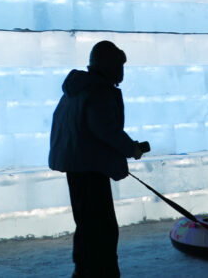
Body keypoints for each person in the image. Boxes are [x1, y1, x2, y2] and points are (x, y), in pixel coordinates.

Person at [49, 41, 146, 278]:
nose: (122, 72)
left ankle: (84, 271)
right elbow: (106, 130)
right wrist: (131, 148)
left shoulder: (78, 89)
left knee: (87, 225)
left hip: (78, 165)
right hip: (90, 168)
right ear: (109, 66)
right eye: (119, 66)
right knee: (102, 229)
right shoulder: (97, 91)